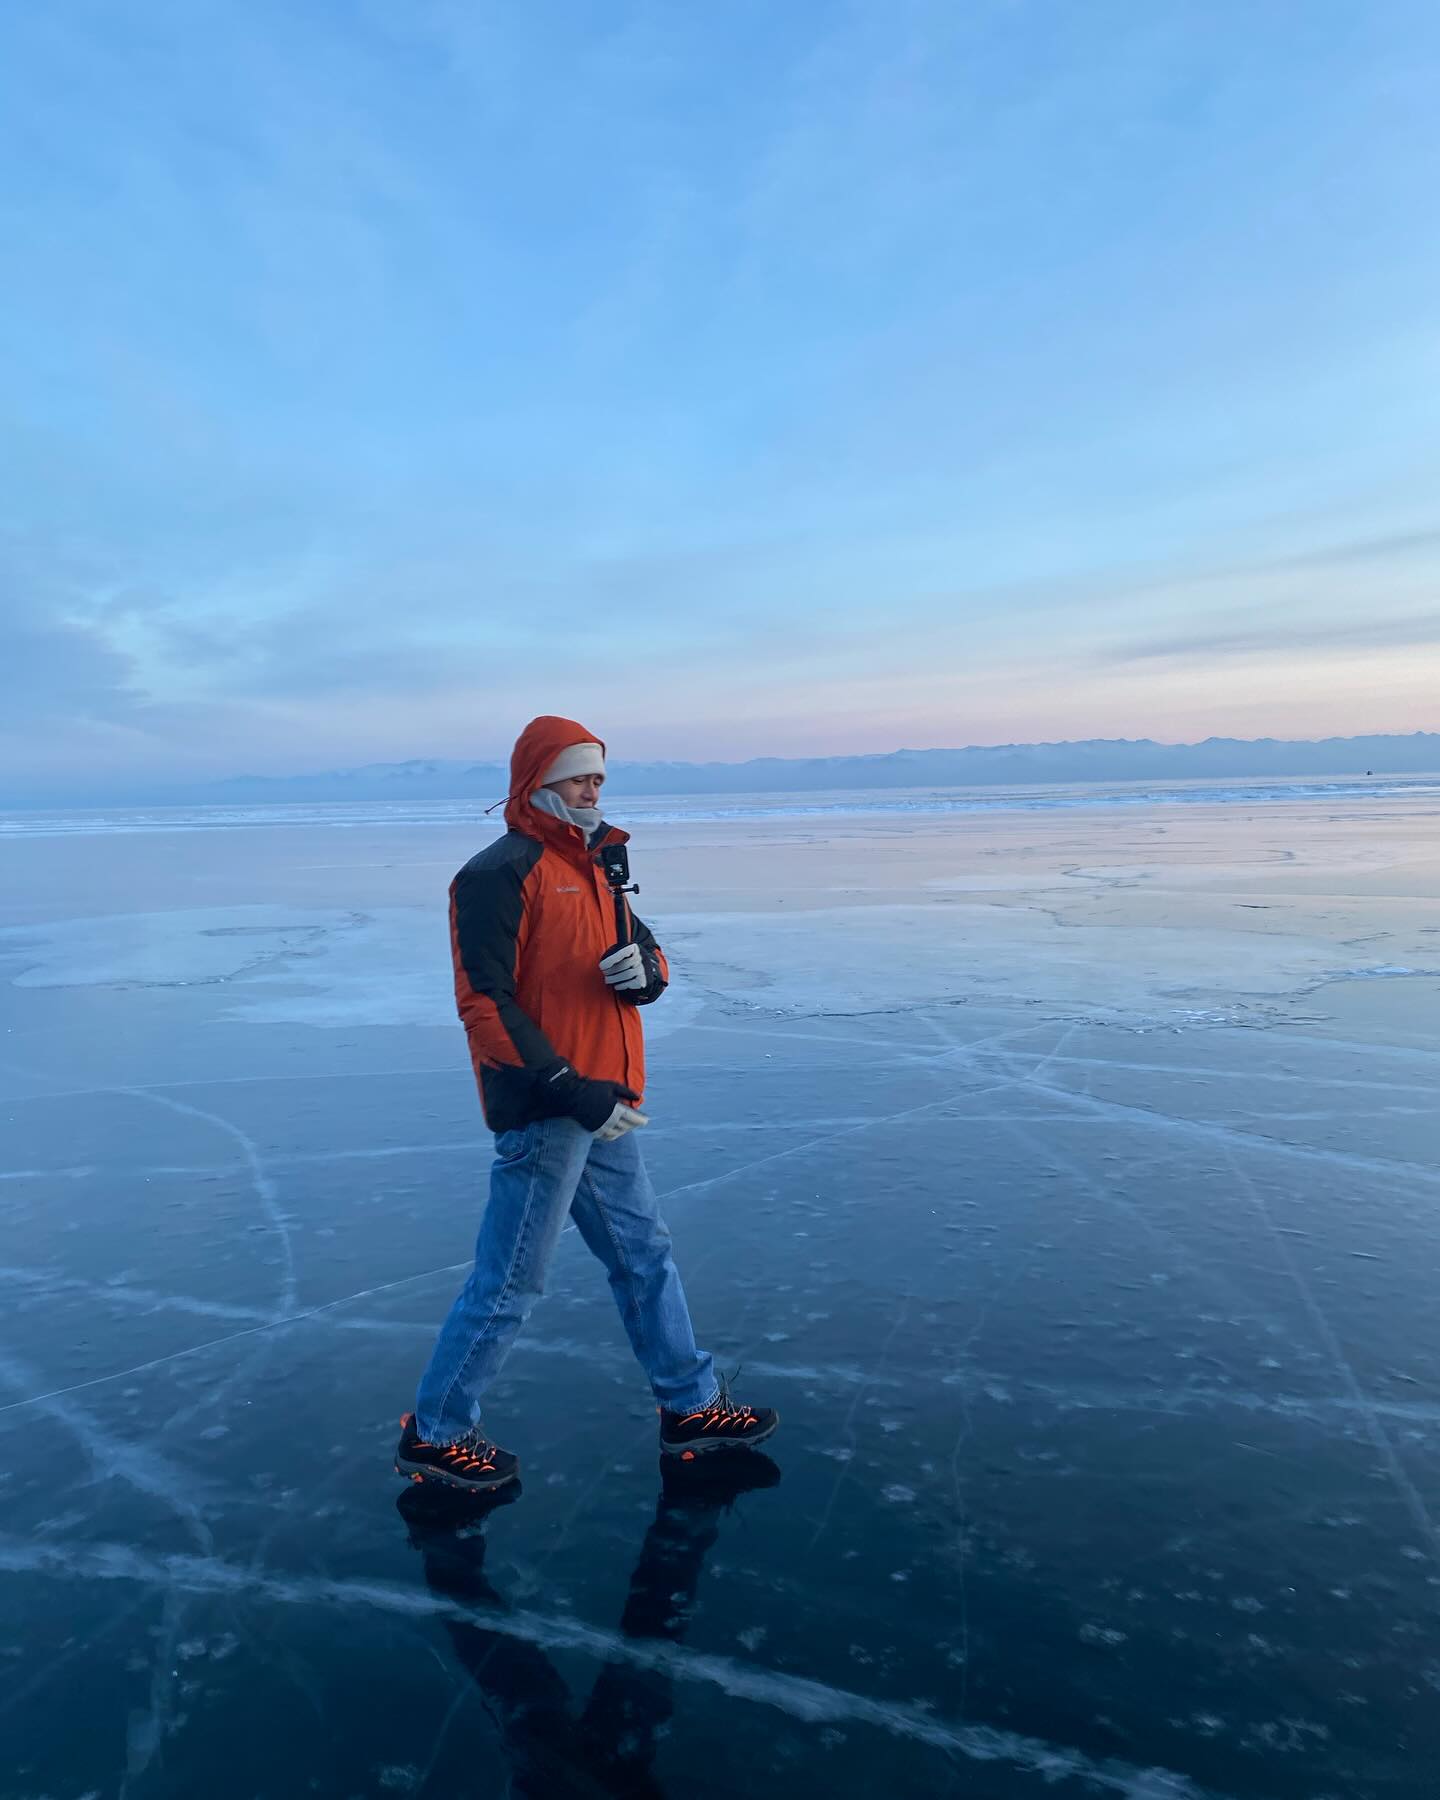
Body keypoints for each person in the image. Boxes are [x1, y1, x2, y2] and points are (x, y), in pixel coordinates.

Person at [396, 715, 777, 1493]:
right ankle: (435, 1435)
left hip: (606, 1103)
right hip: (551, 1107)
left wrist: (650, 975)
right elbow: (484, 1004)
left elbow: (645, 946)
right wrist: (569, 1087)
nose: (594, 787)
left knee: (644, 1256)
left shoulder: (601, 862)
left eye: (599, 776)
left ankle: (691, 1405)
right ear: (539, 779)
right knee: (511, 1280)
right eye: (579, 775)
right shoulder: (499, 872)